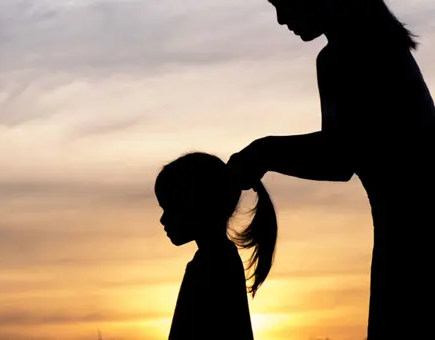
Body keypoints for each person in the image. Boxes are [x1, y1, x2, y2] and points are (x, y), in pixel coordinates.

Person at [227, 0, 435, 338]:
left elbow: (339, 157)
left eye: (283, 2)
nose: (281, 19)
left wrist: (263, 152)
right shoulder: (379, 45)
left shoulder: (345, 55)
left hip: (412, 236)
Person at [155, 152, 278, 340]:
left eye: (170, 207)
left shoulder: (212, 265)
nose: (163, 219)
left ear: (197, 205)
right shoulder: (217, 259)